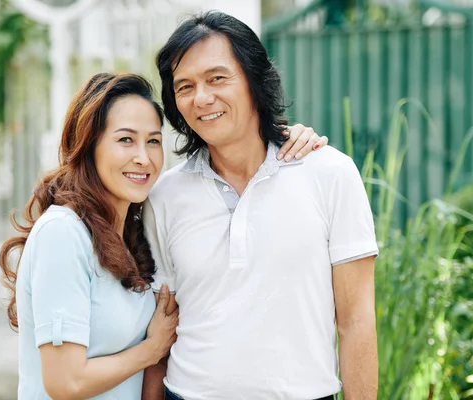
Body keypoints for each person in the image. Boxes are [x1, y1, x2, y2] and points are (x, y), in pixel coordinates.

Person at [0, 72, 326, 399]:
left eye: (153, 141)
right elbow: (64, 383)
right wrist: (151, 349)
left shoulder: (133, 233)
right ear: (88, 145)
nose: (144, 157)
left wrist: (282, 138)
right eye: (125, 140)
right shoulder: (64, 233)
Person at [143, 11, 379, 400]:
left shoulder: (330, 173)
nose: (202, 98)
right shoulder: (164, 195)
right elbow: (162, 329)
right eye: (184, 86)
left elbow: (356, 321)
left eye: (217, 78)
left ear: (254, 81)